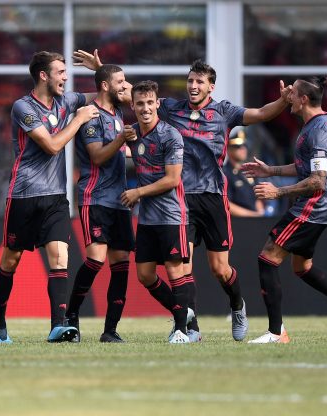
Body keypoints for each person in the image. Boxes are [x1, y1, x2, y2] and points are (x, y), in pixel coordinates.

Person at [73, 49, 291, 342]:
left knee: (219, 268)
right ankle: (189, 326)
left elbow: (262, 113)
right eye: (190, 81)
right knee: (182, 268)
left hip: (213, 197)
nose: (193, 86)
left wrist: (283, 101)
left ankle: (237, 305)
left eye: (199, 82)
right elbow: (134, 97)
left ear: (210, 86)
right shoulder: (171, 108)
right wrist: (102, 70)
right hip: (181, 200)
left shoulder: (224, 112)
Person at [241, 76, 327, 344]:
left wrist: (277, 191)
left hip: (311, 207)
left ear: (304, 99)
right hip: (319, 208)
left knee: (267, 258)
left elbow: (317, 181)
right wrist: (271, 171)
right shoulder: (322, 123)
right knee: (302, 267)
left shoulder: (319, 131)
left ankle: (277, 333)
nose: (287, 96)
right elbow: (307, 168)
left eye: (292, 93)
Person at [0, 51, 100, 344]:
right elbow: (52, 146)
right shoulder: (23, 107)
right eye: (60, 72)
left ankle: (58, 325)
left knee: (60, 257)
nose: (65, 77)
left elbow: (106, 94)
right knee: (10, 262)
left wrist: (100, 70)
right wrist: (77, 122)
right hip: (24, 195)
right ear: (43, 75)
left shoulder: (66, 101)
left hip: (55, 198)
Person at [65, 64, 136, 343]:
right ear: (105, 85)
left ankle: (110, 330)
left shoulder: (117, 113)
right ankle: (71, 316)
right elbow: (96, 157)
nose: (125, 86)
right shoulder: (92, 116)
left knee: (121, 265)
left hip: (119, 200)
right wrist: (121, 139)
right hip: (95, 198)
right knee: (95, 260)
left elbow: (134, 96)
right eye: (120, 81)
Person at [121, 80, 194, 343]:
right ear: (133, 106)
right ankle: (185, 315)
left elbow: (172, 179)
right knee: (145, 275)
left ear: (157, 104)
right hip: (148, 219)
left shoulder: (170, 135)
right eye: (139, 103)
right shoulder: (132, 134)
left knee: (176, 272)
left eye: (149, 103)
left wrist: (137, 193)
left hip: (171, 215)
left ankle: (182, 331)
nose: (145, 108)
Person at [222, 128, 265, 217]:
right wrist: (253, 215)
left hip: (254, 220)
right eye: (238, 147)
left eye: (244, 145)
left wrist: (260, 212)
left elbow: (256, 197)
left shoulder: (248, 171)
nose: (243, 149)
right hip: (237, 222)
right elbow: (226, 203)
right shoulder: (225, 173)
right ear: (228, 150)